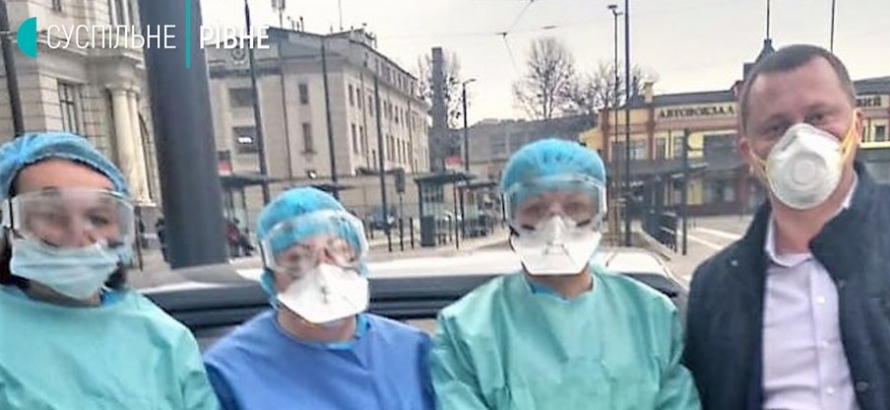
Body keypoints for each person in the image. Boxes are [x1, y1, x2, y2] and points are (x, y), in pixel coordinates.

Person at [683, 44, 890, 409]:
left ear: (857, 127)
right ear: (749, 154)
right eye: (776, 128)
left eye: (818, 117)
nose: (799, 139)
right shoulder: (716, 288)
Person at [430, 138, 701, 410]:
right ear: (511, 218)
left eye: (575, 207)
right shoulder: (466, 330)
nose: (555, 226)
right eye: (536, 209)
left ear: (600, 212)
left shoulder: (652, 317)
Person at [0, 132, 220, 409]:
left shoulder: (165, 339)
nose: (79, 236)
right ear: (9, 226)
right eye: (52, 215)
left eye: (99, 218)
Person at [204, 187, 434, 410]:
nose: (323, 270)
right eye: (297, 258)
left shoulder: (412, 352)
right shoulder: (229, 373)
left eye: (339, 251)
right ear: (271, 277)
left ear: (358, 260)